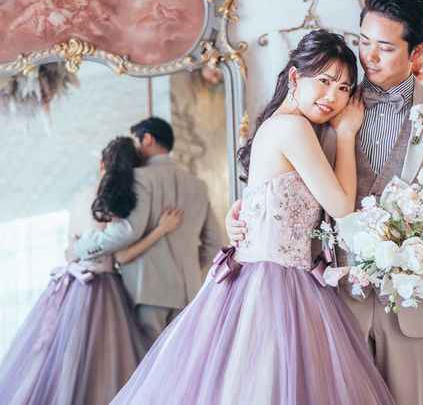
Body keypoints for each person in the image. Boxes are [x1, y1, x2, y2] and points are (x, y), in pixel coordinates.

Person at [227, 0, 423, 405]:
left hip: (417, 311)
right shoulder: (325, 104)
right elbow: (280, 183)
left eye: (385, 48)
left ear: (417, 52)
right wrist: (241, 217)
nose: (369, 57)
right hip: (333, 306)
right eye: (364, 41)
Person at [111, 30, 395, 404]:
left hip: (271, 274)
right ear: (295, 77)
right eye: (325, 81)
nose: (333, 96)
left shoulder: (281, 125)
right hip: (277, 281)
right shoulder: (293, 127)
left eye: (343, 88)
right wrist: (346, 133)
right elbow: (342, 207)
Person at [0, 137, 183, 405]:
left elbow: (73, 246)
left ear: (101, 164)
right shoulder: (110, 203)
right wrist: (160, 230)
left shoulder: (79, 198)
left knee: (64, 357)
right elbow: (122, 253)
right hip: (99, 286)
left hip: (70, 283)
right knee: (103, 362)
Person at [67, 117, 222, 342]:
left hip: (148, 290)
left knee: (150, 360)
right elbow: (214, 242)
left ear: (147, 139)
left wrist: (79, 249)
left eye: (137, 142)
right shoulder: (197, 185)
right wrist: (188, 266)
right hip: (190, 291)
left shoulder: (140, 178)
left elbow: (127, 231)